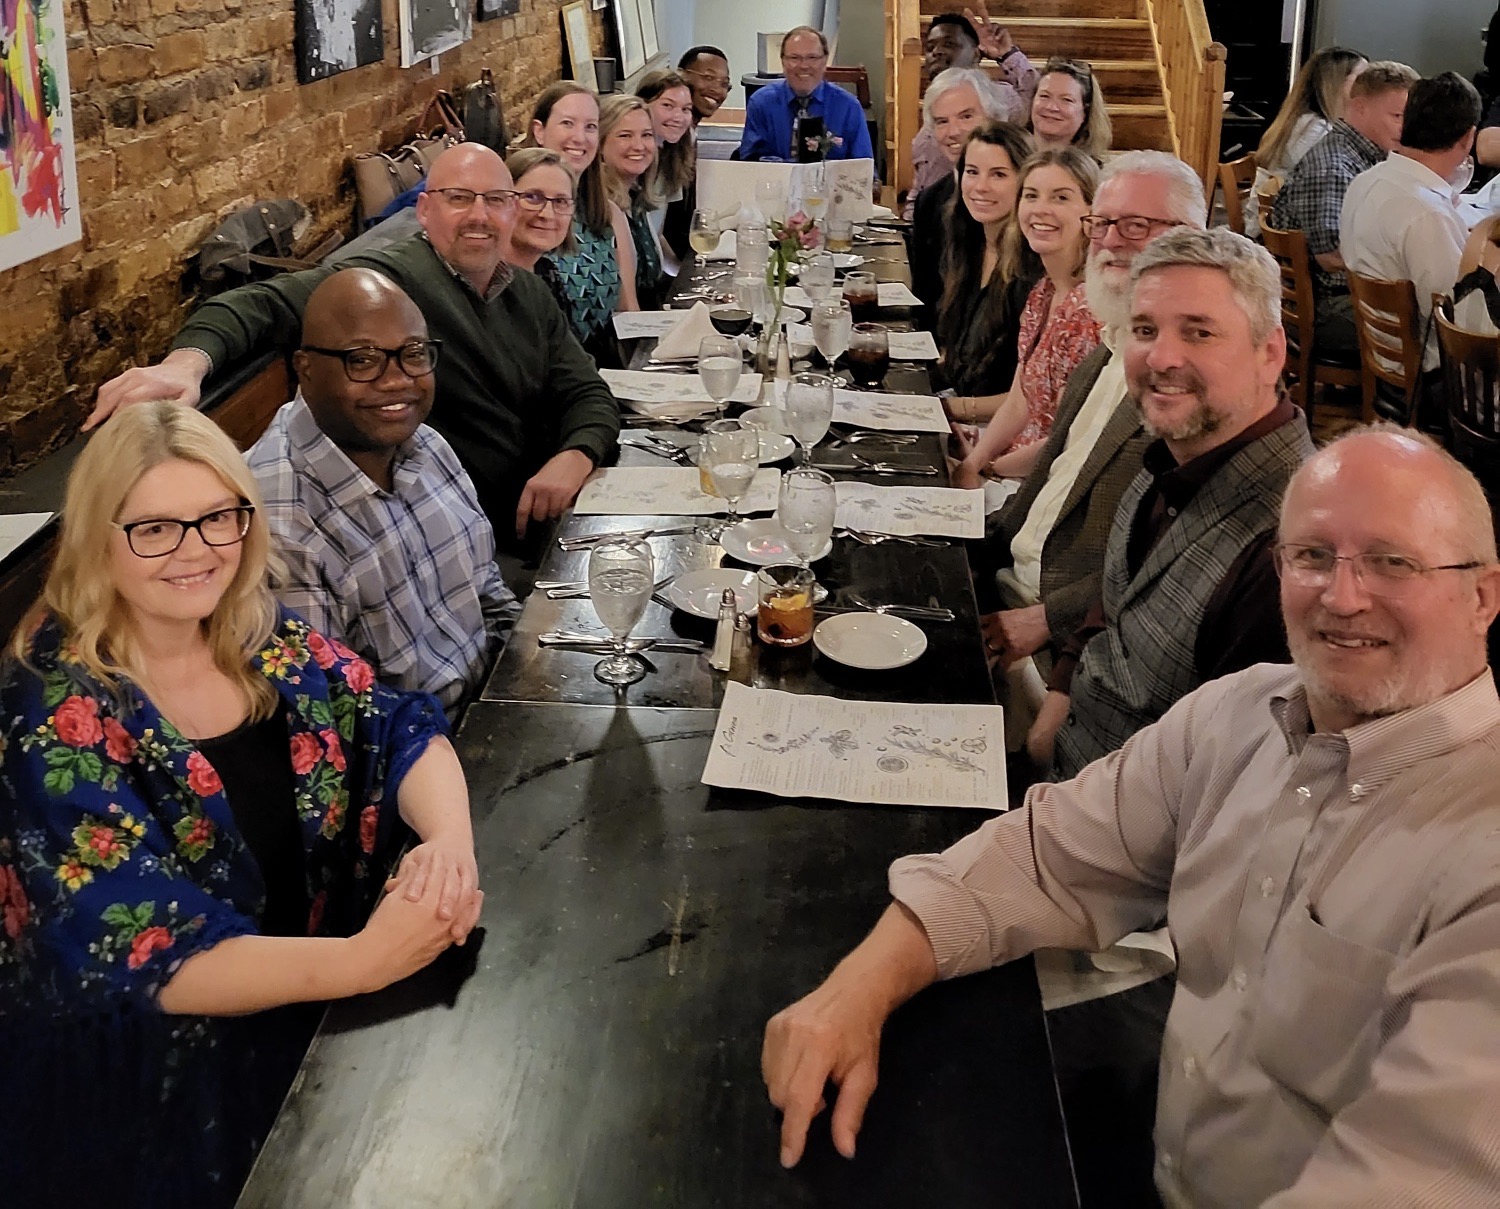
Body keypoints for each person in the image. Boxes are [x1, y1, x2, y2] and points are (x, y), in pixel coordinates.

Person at [764, 423, 1500, 1207]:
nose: (1343, 596)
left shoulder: (1479, 852)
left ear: (1482, 594)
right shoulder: (1240, 714)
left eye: (1392, 561)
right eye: (1313, 555)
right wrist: (858, 986)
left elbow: (1406, 1182)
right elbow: (1049, 855)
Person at [0, 402, 483, 1207]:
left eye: (218, 517)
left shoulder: (258, 634)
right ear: (97, 536)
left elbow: (398, 727)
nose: (197, 551)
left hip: (313, 1030)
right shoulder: (50, 711)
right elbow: (146, 947)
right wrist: (366, 959)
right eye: (155, 528)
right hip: (159, 1104)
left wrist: (448, 846)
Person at [88, 143, 620, 550]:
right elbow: (258, 305)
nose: (479, 215)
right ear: (427, 211)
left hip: (553, 517)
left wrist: (576, 454)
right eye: (459, 199)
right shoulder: (385, 287)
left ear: (510, 211)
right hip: (472, 537)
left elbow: (587, 391)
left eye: (496, 200)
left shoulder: (524, 289)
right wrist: (186, 365)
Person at [1025, 228, 1316, 779]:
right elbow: (1113, 603)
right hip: (1065, 767)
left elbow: (1227, 789)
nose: (1161, 357)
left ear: (1269, 352)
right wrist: (1056, 702)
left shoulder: (1287, 552)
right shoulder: (1172, 453)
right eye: (1144, 329)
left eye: (1199, 333)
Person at [245, 269, 520, 715]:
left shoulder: (425, 445)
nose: (397, 381)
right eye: (363, 359)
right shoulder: (281, 526)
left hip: (491, 702)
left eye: (413, 353)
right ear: (306, 369)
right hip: (415, 763)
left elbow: (484, 585)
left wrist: (526, 665)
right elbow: (336, 722)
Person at [977, 152, 1208, 680]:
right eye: (1102, 224)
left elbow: (1171, 555)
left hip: (1060, 633)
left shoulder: (1184, 379)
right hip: (1006, 574)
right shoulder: (1107, 346)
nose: (1110, 240)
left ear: (1192, 235)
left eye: (1136, 226)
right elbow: (1045, 488)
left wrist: (1046, 621)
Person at [950, 147, 1102, 482]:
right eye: (1031, 195)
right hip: (1009, 463)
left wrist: (989, 471)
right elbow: (1020, 401)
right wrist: (973, 463)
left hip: (1041, 483)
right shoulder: (1043, 291)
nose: (1041, 210)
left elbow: (1068, 438)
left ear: (1092, 213)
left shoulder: (1090, 311)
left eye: (1061, 198)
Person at [1267, 61, 1418, 355]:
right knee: (1436, 334)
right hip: (1326, 308)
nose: (1405, 128)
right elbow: (1331, 256)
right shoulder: (1335, 166)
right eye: (1397, 116)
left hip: (1342, 296)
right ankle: (1398, 396)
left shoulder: (1366, 155)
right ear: (1360, 108)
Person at [1341, 72, 1482, 379]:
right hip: (1431, 375)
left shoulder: (1365, 181)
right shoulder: (1428, 215)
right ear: (1468, 138)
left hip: (1382, 352)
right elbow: (1458, 321)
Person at [526, 84, 641, 364]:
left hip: (602, 371)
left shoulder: (608, 213)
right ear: (539, 131)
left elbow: (628, 312)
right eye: (567, 123)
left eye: (590, 127)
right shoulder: (523, 212)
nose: (580, 137)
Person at [931, 122, 1036, 400]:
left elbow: (1030, 399)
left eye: (999, 175)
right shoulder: (968, 244)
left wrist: (953, 410)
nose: (980, 187)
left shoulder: (1032, 269)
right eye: (972, 172)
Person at [908, 70, 1027, 312]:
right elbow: (924, 300)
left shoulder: (1025, 200)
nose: (953, 132)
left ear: (995, 118)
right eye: (942, 122)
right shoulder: (929, 202)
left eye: (966, 116)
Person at [904, 18, 1027, 221]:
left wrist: (1008, 55)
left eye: (949, 44)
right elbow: (919, 191)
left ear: (976, 54)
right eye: (930, 47)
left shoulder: (997, 97)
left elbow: (1039, 99)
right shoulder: (929, 126)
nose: (937, 52)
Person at [1252, 46, 1368, 228]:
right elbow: (1327, 187)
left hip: (1273, 222)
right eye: (1361, 79)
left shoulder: (1303, 120)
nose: (1368, 87)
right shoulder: (1315, 130)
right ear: (1336, 83)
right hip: (1280, 231)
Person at [738, 26, 875, 164]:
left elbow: (863, 167)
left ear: (825, 61)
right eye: (794, 58)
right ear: (783, 61)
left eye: (812, 57)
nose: (803, 65)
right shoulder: (761, 102)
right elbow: (751, 161)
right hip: (776, 183)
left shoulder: (849, 107)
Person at [599, 94, 667, 311]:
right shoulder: (603, 208)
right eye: (625, 136)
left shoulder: (636, 200)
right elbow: (626, 306)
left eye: (646, 135)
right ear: (599, 145)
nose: (639, 146)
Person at [502, 147, 581, 319]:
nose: (547, 214)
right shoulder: (486, 284)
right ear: (501, 200)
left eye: (560, 201)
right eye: (532, 197)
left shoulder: (548, 275)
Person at [636, 69, 698, 268]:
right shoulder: (631, 163)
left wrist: (682, 275)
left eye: (686, 109)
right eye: (668, 106)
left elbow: (656, 236)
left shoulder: (670, 159)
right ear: (642, 106)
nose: (678, 117)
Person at [1028, 58, 1112, 160]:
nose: (1051, 107)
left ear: (1085, 111)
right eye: (1044, 96)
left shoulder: (1097, 173)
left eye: (1066, 100)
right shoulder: (1008, 158)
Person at [678, 44, 731, 125]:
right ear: (682, 75)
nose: (717, 90)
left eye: (724, 84)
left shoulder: (687, 131)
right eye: (708, 77)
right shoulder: (666, 130)